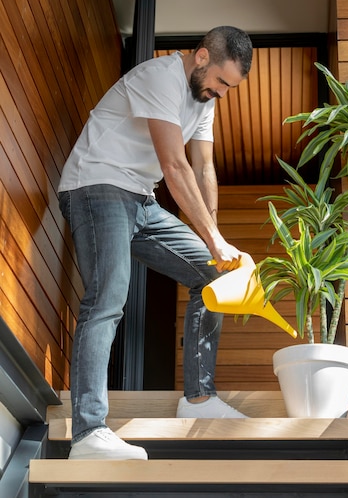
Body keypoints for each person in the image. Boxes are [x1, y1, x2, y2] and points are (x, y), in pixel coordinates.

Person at [58, 26, 253, 460]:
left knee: (210, 276)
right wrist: (215, 240)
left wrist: (216, 242)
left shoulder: (204, 99)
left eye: (230, 88)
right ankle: (88, 434)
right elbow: (175, 165)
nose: (222, 93)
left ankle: (198, 398)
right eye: (222, 82)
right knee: (107, 299)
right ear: (201, 57)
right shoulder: (160, 76)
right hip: (97, 185)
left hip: (141, 199)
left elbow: (204, 169)